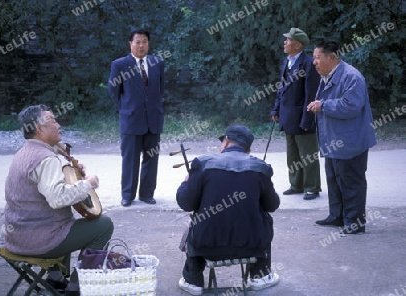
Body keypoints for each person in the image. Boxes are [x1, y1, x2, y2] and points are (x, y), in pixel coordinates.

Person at [4, 104, 114, 295]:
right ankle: (76, 285)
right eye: (53, 120)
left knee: (63, 220)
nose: (59, 124)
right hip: (39, 242)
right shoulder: (46, 159)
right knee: (104, 224)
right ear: (39, 129)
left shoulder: (24, 153)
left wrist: (76, 175)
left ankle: (55, 279)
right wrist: (88, 184)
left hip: (16, 238)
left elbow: (46, 189)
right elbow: (57, 198)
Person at [176, 124, 280, 295]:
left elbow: (186, 203)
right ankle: (260, 274)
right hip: (251, 244)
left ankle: (192, 279)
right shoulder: (260, 167)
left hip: (207, 245)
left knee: (195, 218)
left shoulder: (202, 164)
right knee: (265, 216)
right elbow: (272, 205)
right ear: (248, 150)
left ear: (226, 141)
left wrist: (186, 182)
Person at [307, 40, 377, 234]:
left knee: (351, 181)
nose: (314, 62)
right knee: (334, 179)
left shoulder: (352, 77)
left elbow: (351, 106)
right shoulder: (327, 75)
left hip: (351, 141)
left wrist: (323, 105)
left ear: (331, 57)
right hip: (333, 140)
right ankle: (337, 216)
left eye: (317, 58)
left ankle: (354, 223)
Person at [108, 28, 165, 207]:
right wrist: (127, 108)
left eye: (145, 42)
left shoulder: (157, 63)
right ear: (130, 43)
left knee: (151, 159)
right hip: (131, 119)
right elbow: (113, 91)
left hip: (153, 119)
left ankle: (147, 194)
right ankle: (128, 195)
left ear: (149, 43)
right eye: (137, 42)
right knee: (130, 159)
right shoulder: (120, 64)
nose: (141, 45)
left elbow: (160, 89)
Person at [271, 27, 322, 200]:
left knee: (308, 155)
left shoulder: (309, 64)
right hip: (288, 116)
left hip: (302, 117)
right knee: (292, 155)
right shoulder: (287, 62)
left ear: (298, 45)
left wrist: (307, 120)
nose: (285, 42)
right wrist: (276, 109)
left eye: (288, 40)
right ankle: (296, 185)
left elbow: (311, 94)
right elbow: (281, 89)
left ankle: (312, 187)